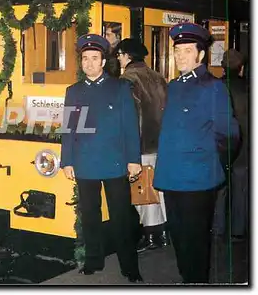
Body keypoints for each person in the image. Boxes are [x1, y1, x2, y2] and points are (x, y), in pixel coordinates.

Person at [153, 23, 240, 284]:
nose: (181, 56)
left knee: (196, 240)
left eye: (187, 51)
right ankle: (186, 281)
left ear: (201, 55)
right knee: (178, 236)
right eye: (177, 51)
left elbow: (230, 135)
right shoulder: (174, 85)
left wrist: (214, 167)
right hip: (171, 178)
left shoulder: (212, 87)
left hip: (198, 179)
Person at [60, 33, 143, 283]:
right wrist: (67, 161)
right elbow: (68, 129)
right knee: (90, 216)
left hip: (115, 163)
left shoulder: (119, 88)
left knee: (121, 217)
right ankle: (93, 261)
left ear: (103, 62)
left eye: (94, 58)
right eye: (85, 59)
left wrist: (133, 159)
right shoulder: (73, 92)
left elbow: (130, 126)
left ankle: (130, 266)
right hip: (85, 164)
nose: (89, 63)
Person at [115, 38, 169, 253]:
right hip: (160, 143)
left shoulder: (127, 79)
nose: (118, 58)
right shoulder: (158, 76)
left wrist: (129, 148)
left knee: (142, 193)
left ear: (127, 55)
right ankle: (163, 233)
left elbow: (129, 117)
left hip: (140, 144)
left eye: (119, 54)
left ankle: (152, 236)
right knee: (158, 190)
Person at [213, 48, 248, 240]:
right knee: (241, 187)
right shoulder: (249, 88)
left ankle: (217, 228)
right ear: (241, 68)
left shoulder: (215, 87)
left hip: (221, 145)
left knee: (219, 187)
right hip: (244, 146)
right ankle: (238, 229)